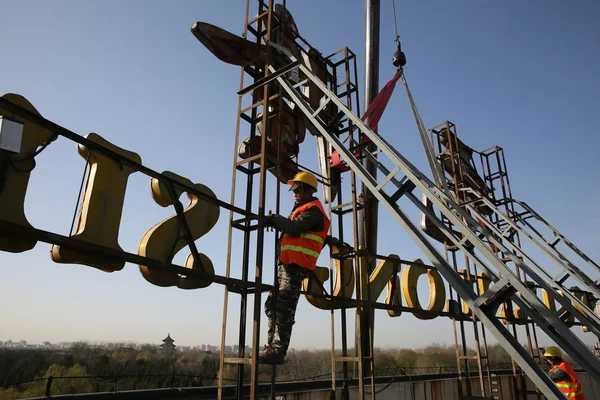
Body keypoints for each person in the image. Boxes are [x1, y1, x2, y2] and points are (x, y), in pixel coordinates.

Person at [259, 171, 331, 364]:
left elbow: (293, 228)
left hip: (295, 267)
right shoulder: (301, 209)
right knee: (272, 305)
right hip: (285, 264)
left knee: (284, 308)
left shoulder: (313, 211)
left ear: (309, 190)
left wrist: (275, 219)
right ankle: (270, 347)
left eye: (298, 189)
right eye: (293, 188)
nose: (294, 192)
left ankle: (278, 351)